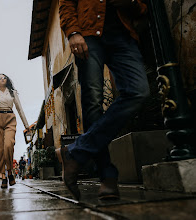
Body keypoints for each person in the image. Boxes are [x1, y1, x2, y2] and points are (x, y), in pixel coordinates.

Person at [57, 0, 150, 201]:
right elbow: (65, 3)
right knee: (92, 102)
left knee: (138, 91)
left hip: (123, 36)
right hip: (88, 34)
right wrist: (73, 32)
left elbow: (142, 7)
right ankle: (107, 176)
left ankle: (76, 152)